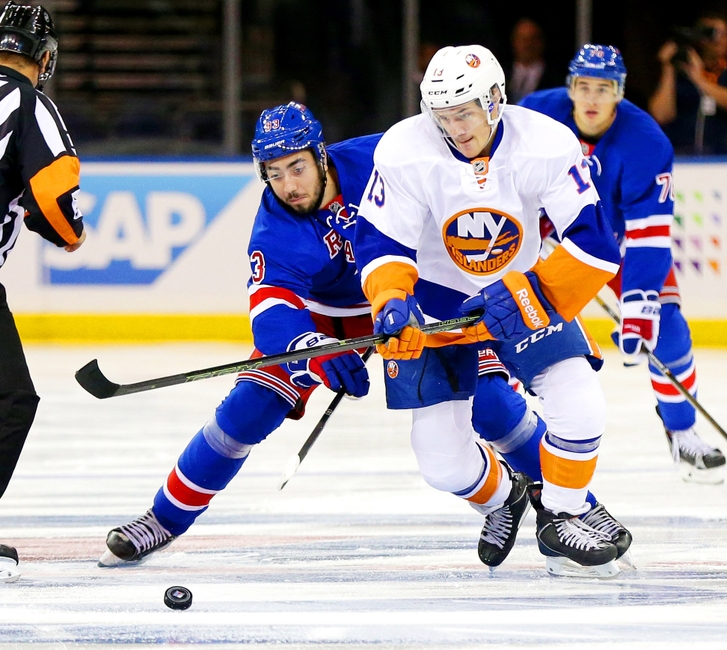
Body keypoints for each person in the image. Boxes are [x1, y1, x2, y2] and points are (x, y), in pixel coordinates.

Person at [97, 102, 547, 571]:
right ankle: (164, 519)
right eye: (274, 173)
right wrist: (311, 352)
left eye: (296, 167)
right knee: (247, 411)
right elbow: (272, 311)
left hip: (418, 296)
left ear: (320, 155)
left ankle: (576, 507)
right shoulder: (275, 227)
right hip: (326, 319)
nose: (288, 185)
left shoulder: (384, 157)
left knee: (492, 403)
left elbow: (465, 169)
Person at [355, 44, 631, 578]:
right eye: (443, 116)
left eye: (464, 113)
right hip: (438, 307)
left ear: (496, 100)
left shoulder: (546, 143)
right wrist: (391, 301)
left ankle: (565, 515)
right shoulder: (405, 149)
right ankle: (504, 496)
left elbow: (595, 243)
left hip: (523, 296)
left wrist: (533, 291)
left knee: (580, 400)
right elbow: (380, 243)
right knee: (440, 462)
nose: (454, 129)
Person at [520, 44, 726, 483]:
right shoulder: (534, 116)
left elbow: (649, 232)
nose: (592, 99)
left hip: (612, 246)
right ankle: (513, 439)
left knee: (667, 326)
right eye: (584, 87)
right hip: (542, 241)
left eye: (604, 89)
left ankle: (681, 430)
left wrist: (641, 300)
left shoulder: (646, 141)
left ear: (620, 93)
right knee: (517, 329)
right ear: (570, 88)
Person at [0, 1, 86, 583]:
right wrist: (65, 230)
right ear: (45, 58)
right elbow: (55, 202)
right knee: (10, 403)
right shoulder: (28, 104)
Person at [648, 13, 727, 155]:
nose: (719, 40)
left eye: (724, 34)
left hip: (723, 158)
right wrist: (668, 68)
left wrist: (700, 80)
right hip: (684, 156)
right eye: (712, 34)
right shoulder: (681, 74)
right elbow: (661, 115)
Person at [508, 18, 564, 105]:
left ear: (541, 42)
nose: (527, 44)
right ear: (514, 41)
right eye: (522, 39)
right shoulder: (500, 73)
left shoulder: (556, 80)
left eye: (532, 38)